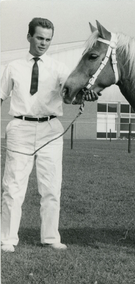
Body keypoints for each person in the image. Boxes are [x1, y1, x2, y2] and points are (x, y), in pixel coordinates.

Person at [1, 17, 98, 253]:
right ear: (29, 37)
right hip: (20, 128)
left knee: (51, 187)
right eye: (39, 38)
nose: (44, 43)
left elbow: (74, 92)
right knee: (13, 187)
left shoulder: (59, 68)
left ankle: (50, 237)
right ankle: (7, 239)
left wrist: (87, 95)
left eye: (48, 39)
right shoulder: (13, 67)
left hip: (51, 130)